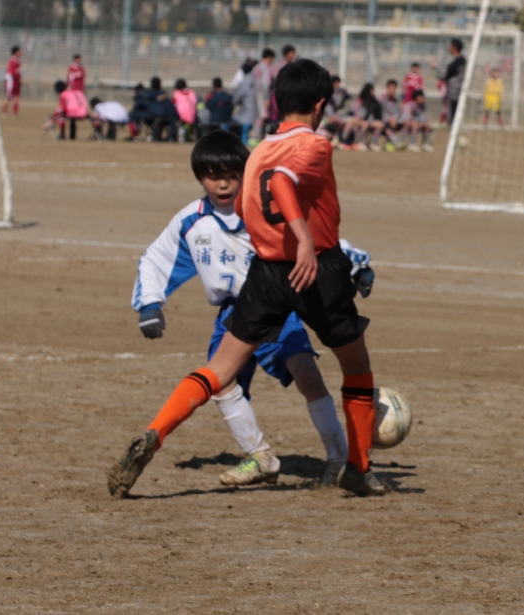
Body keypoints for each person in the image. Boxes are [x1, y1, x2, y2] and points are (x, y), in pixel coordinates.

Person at [108, 58, 388, 499]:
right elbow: (283, 184)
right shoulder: (316, 144)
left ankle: (155, 433)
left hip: (264, 275)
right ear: (320, 105)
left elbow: (246, 208)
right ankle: (357, 465)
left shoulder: (257, 151)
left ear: (276, 101)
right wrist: (303, 239)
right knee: (355, 365)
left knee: (219, 371)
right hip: (314, 269)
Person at [345, 82, 385, 151]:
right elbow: (355, 114)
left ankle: (373, 143)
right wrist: (362, 121)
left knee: (379, 124)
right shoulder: (359, 101)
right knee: (364, 124)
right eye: (372, 90)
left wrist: (374, 121)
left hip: (368, 122)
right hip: (357, 121)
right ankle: (360, 142)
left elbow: (377, 115)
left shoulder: (374, 102)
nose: (374, 92)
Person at [250, 48, 275, 140]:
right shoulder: (266, 68)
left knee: (257, 116)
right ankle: (257, 137)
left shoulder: (256, 67)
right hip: (262, 95)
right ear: (270, 57)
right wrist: (267, 98)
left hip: (255, 94)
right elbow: (266, 84)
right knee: (263, 117)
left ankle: (255, 136)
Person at [440, 38, 466, 125]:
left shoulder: (455, 63)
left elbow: (443, 76)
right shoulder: (462, 60)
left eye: (450, 45)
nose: (448, 47)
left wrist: (434, 69)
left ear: (454, 47)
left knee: (453, 116)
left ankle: (453, 128)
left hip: (454, 92)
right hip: (460, 91)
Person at [232, 67, 258, 143]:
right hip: (257, 116)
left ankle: (244, 141)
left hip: (245, 117)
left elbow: (235, 99)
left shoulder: (245, 84)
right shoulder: (258, 82)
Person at [380, 79, 403, 149]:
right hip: (382, 121)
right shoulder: (381, 99)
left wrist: (395, 119)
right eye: (391, 88)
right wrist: (389, 119)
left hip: (392, 122)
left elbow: (397, 113)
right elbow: (379, 113)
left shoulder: (395, 101)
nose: (392, 91)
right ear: (387, 88)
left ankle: (393, 143)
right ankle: (396, 143)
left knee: (404, 123)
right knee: (387, 127)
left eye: (394, 89)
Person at [2, 45, 21, 116]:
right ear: (16, 52)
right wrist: (18, 78)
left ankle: (15, 112)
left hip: (15, 81)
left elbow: (17, 72)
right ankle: (4, 112)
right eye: (19, 51)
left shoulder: (17, 61)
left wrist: (19, 79)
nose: (21, 52)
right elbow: (11, 72)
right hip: (11, 81)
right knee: (8, 96)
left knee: (16, 96)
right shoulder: (12, 61)